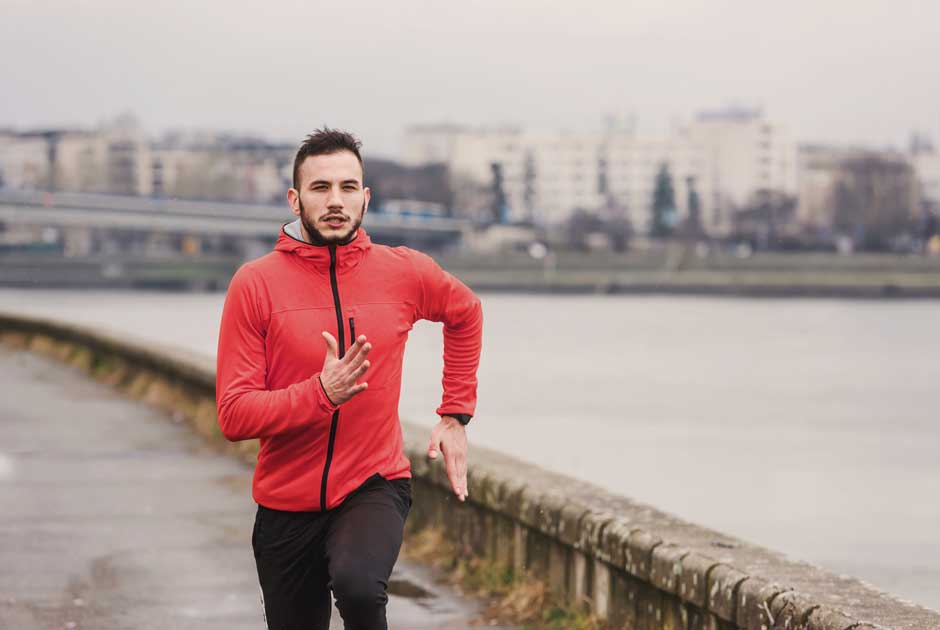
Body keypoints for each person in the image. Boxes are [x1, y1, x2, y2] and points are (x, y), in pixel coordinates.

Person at [215, 127, 483, 630]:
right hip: (285, 505)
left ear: (365, 197)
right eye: (320, 188)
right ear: (295, 200)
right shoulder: (255, 285)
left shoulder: (403, 272)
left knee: (360, 587)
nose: (335, 200)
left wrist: (455, 412)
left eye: (346, 187)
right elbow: (234, 414)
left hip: (374, 482)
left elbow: (466, 313)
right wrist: (320, 394)